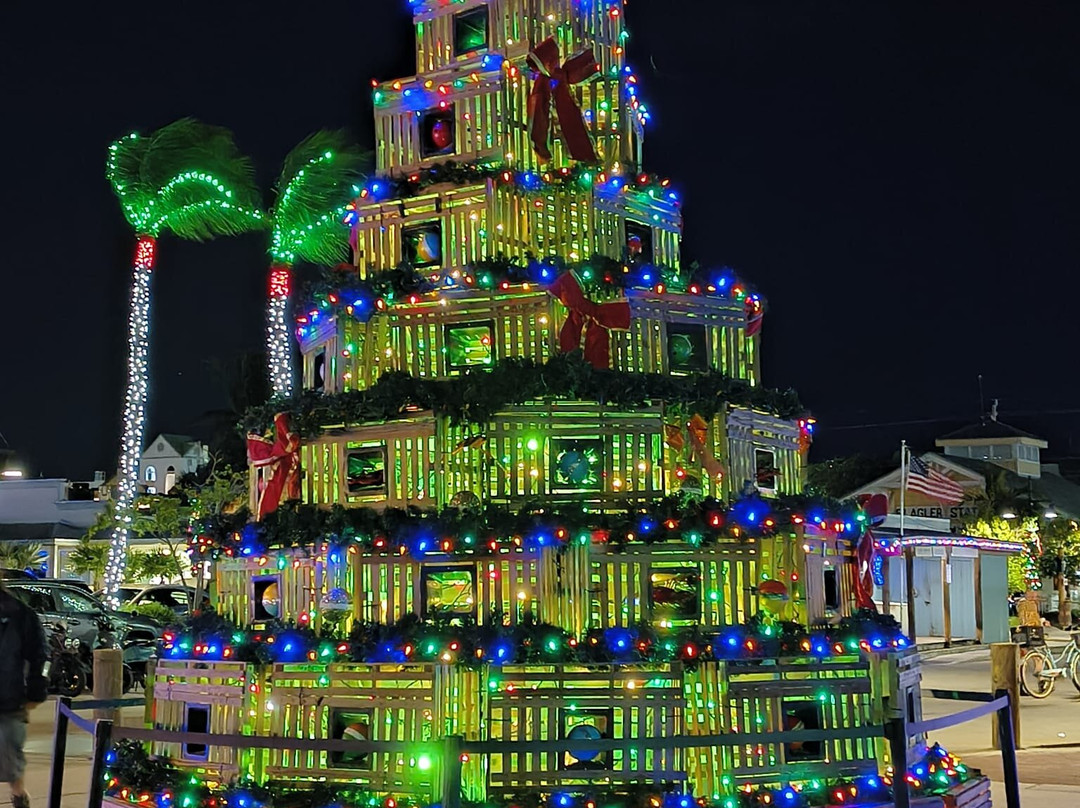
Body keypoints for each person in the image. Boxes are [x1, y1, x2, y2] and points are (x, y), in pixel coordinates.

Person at [0, 583, 48, 808]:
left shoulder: (20, 614)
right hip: (11, 696)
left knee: (11, 757)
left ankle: (19, 798)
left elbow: (39, 656)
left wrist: (36, 691)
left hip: (10, 699)